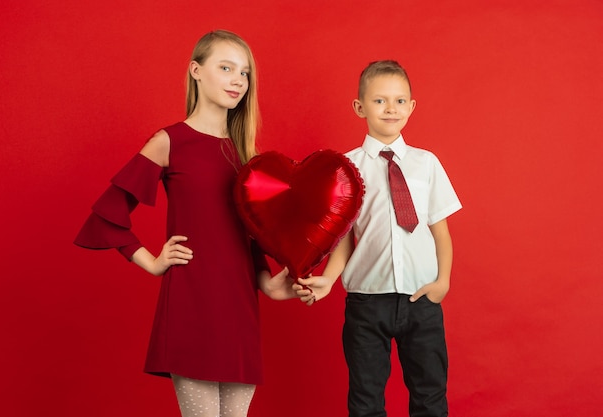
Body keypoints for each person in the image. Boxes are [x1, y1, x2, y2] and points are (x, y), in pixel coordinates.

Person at [74, 30, 296, 417]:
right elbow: (107, 212)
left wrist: (270, 283)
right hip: (192, 304)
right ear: (196, 70)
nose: (236, 80)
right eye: (225, 68)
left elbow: (252, 238)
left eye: (244, 73)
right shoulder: (170, 141)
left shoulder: (249, 156)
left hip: (240, 310)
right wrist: (151, 261)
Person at [294, 60, 462, 417]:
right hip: (367, 303)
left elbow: (440, 231)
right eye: (380, 101)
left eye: (400, 101)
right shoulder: (346, 169)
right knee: (365, 399)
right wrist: (328, 279)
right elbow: (344, 237)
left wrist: (442, 282)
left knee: (430, 395)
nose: (391, 109)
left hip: (421, 299)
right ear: (360, 107)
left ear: (412, 107)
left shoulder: (426, 164)